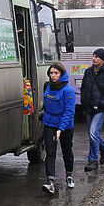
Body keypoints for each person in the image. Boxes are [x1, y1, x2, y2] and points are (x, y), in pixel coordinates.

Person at [80, 48, 104, 171]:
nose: (94, 58)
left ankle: (92, 160)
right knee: (91, 133)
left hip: (101, 108)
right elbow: (84, 88)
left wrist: (102, 103)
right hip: (89, 107)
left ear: (103, 59)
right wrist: (84, 100)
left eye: (97, 57)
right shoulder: (88, 72)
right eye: (93, 56)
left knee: (93, 132)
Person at [41, 62, 76, 195]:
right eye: (51, 73)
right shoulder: (47, 86)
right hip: (50, 124)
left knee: (67, 151)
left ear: (61, 74)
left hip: (65, 126)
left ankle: (69, 175)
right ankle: (50, 182)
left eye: (56, 73)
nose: (53, 76)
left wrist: (60, 129)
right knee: (50, 152)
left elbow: (69, 112)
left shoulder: (68, 91)